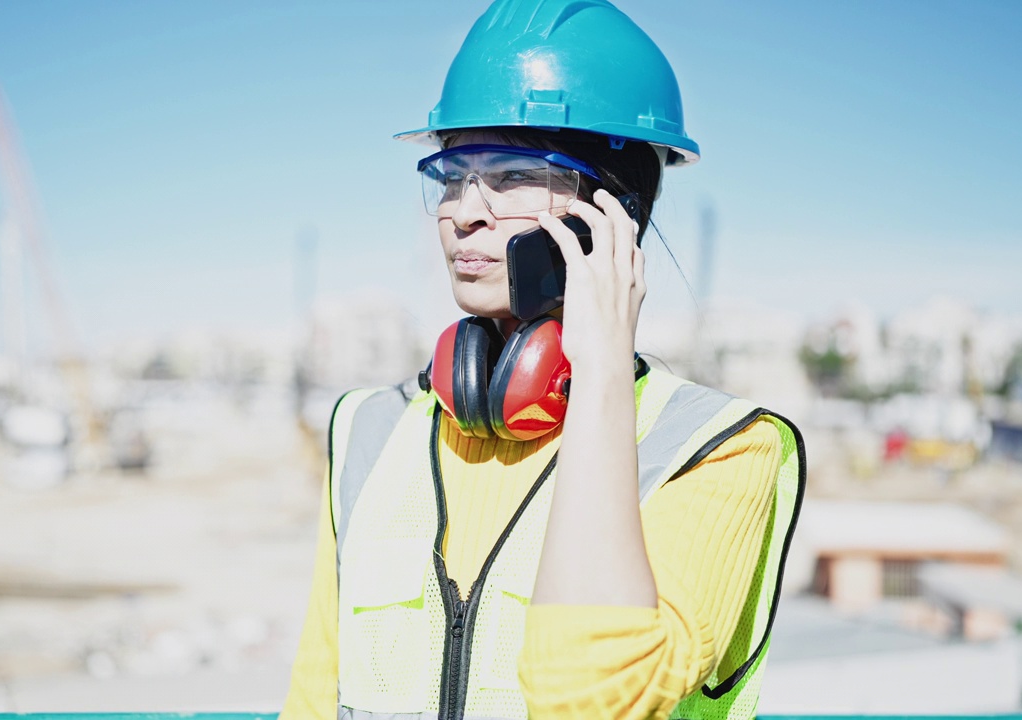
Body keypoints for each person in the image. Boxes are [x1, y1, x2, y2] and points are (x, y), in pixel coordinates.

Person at [280, 1, 804, 718]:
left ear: (614, 211)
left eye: (514, 173)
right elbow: (314, 697)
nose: (464, 210)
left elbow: (591, 700)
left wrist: (600, 377)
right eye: (452, 172)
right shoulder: (366, 429)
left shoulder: (717, 450)